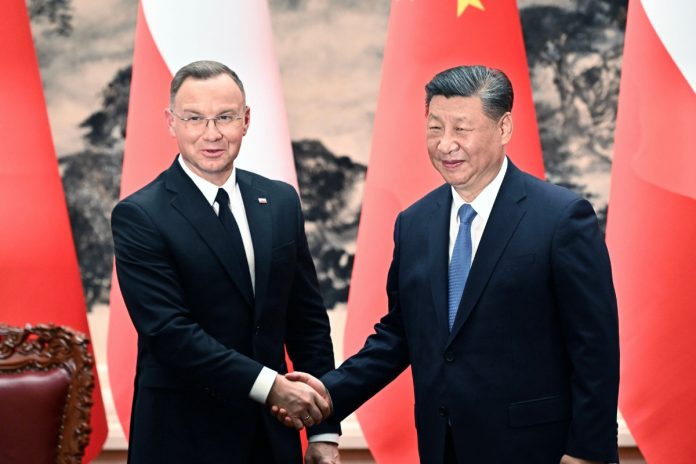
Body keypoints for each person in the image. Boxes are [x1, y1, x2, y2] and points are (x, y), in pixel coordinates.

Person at [277, 65, 619, 463]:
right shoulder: (415, 223)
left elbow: (595, 347)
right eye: (435, 128)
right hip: (444, 447)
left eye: (462, 128)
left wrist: (587, 453)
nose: (445, 144)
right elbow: (399, 335)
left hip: (538, 449)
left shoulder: (561, 218)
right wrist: (326, 396)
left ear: (504, 128)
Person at [112, 60, 340, 464]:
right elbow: (169, 332)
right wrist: (270, 385)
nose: (212, 134)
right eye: (195, 118)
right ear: (171, 122)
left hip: (272, 437)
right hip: (182, 438)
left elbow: (306, 321)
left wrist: (323, 430)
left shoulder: (281, 201)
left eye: (225, 117)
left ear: (246, 120)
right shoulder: (140, 214)